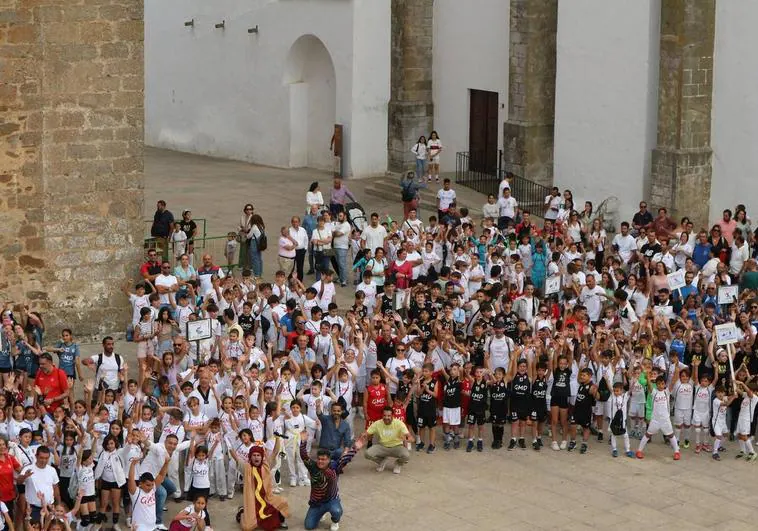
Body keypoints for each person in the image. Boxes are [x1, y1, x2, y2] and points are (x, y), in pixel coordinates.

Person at [299, 432, 360, 531]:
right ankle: (320, 513)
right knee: (309, 526)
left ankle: (335, 521)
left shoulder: (335, 467)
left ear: (329, 460)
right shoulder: (312, 466)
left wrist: (355, 448)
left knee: (336, 511)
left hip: (331, 500)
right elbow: (304, 456)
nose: (320, 461)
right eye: (319, 459)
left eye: (323, 459)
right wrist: (303, 442)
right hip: (317, 503)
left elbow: (345, 459)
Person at [359, 406, 413, 474]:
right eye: (384, 415)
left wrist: (408, 439)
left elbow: (410, 437)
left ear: (392, 416)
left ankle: (398, 463)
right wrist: (363, 435)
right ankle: (382, 461)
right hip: (382, 446)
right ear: (382, 415)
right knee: (367, 454)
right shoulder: (377, 423)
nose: (386, 417)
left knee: (406, 456)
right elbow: (366, 433)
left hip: (397, 447)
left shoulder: (399, 423)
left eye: (389, 416)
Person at [21, 446, 60, 522]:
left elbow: (55, 488)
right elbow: (19, 482)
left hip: (50, 507)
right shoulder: (28, 469)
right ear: (36, 456)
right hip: (33, 509)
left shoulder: (52, 470)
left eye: (46, 458)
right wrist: (24, 476)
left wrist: (58, 505)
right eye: (41, 458)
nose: (44, 460)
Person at [238, 204, 255, 270]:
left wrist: (248, 230)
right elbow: (238, 226)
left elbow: (254, 227)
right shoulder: (242, 217)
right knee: (242, 251)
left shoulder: (253, 218)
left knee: (250, 252)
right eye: (247, 209)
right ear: (245, 210)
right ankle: (241, 265)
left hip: (250, 236)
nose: (249, 210)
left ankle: (250, 266)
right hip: (243, 236)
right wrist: (242, 229)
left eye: (250, 209)